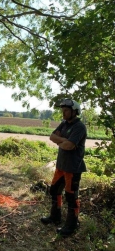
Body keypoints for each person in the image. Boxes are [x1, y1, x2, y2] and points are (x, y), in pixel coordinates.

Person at [40, 98, 87, 237]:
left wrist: (62, 141)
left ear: (75, 111)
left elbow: (69, 146)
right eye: (63, 110)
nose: (64, 113)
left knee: (71, 197)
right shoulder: (64, 124)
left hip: (73, 168)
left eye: (66, 110)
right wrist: (63, 140)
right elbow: (52, 137)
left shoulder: (79, 127)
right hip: (61, 166)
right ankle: (55, 217)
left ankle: (71, 226)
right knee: (54, 190)